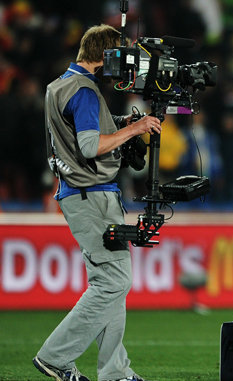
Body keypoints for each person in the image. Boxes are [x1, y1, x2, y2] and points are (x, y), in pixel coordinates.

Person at [34, 24, 161, 381]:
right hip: (91, 195)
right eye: (117, 59)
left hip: (78, 193)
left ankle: (115, 372)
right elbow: (90, 147)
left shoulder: (59, 85)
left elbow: (78, 136)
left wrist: (119, 122)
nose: (120, 68)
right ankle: (56, 357)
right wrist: (135, 130)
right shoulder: (86, 91)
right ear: (104, 57)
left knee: (112, 282)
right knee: (112, 283)